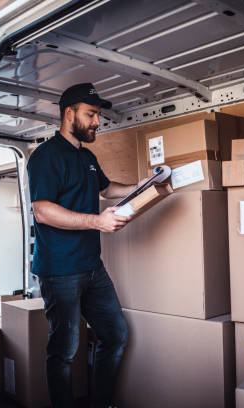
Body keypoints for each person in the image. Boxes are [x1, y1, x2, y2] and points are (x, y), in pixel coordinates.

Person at [27, 83, 148, 408]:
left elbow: (108, 190)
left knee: (115, 335)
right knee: (65, 351)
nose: (97, 121)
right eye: (91, 114)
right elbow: (42, 210)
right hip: (60, 271)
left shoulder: (87, 156)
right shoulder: (46, 157)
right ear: (69, 114)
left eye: (97, 115)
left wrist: (144, 185)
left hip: (92, 268)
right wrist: (97, 221)